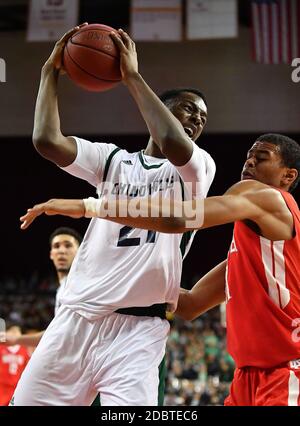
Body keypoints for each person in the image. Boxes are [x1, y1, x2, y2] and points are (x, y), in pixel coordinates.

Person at [13, 24, 215, 406]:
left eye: (203, 118)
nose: (197, 120)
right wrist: (48, 74)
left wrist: (131, 77)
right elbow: (47, 141)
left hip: (138, 330)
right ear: (163, 108)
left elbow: (173, 141)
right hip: (75, 321)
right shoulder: (112, 160)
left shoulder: (198, 167)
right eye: (188, 109)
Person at [22, 133, 300, 406]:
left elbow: (180, 217)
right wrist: (117, 279)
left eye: (261, 158)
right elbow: (191, 304)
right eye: (248, 156)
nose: (249, 162)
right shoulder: (254, 255)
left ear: (288, 176)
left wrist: (88, 206)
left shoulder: (268, 197)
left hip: (286, 370)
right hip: (248, 378)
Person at [4, 227, 82, 348]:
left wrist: (18, 339)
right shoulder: (62, 289)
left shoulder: (79, 285)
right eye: (56, 246)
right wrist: (16, 339)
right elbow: (56, 334)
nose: (62, 251)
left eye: (68, 245)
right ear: (51, 254)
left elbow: (60, 335)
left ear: (80, 252)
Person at [0, 324, 30, 406]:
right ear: (6, 332)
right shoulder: (1, 347)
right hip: (2, 386)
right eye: (12, 331)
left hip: (16, 386)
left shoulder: (24, 350)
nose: (15, 333)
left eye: (17, 332)